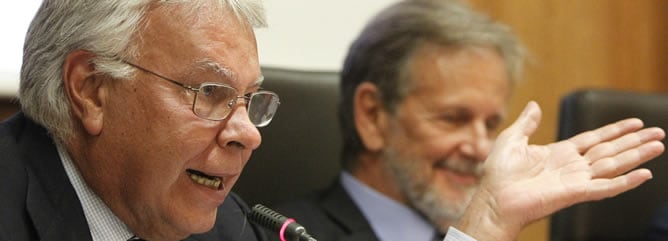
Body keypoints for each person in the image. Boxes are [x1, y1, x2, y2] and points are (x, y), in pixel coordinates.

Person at [270, 0, 666, 241]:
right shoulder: (282, 233)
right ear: (373, 116)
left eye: (491, 124)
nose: (480, 148)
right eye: (453, 118)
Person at [0, 0, 280, 240]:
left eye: (250, 97)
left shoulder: (232, 229)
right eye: (209, 91)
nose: (250, 135)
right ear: (91, 89)